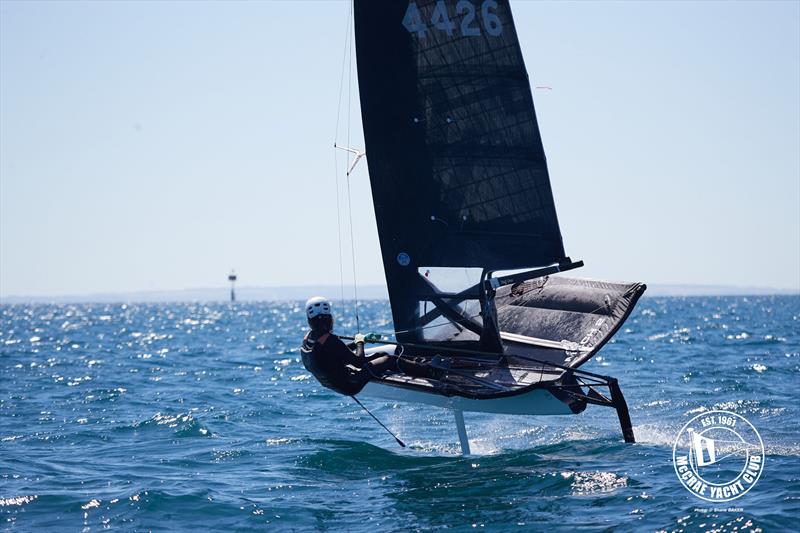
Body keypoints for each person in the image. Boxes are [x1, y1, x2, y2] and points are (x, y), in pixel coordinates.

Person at [300, 296, 445, 396]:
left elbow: (338, 352)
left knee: (379, 356)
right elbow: (358, 361)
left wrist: (361, 341)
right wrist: (360, 342)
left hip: (336, 384)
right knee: (389, 359)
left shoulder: (309, 339)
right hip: (351, 383)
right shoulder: (331, 341)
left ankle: (417, 364)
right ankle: (431, 371)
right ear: (329, 319)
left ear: (309, 320)